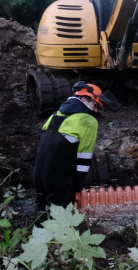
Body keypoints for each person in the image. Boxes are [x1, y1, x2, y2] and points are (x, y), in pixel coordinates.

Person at [33, 82, 105, 211]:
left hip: (39, 175)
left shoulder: (55, 115)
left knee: (40, 212)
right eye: (95, 106)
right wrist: (77, 185)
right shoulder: (89, 120)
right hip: (60, 177)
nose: (95, 111)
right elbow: (84, 156)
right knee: (59, 217)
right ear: (84, 99)